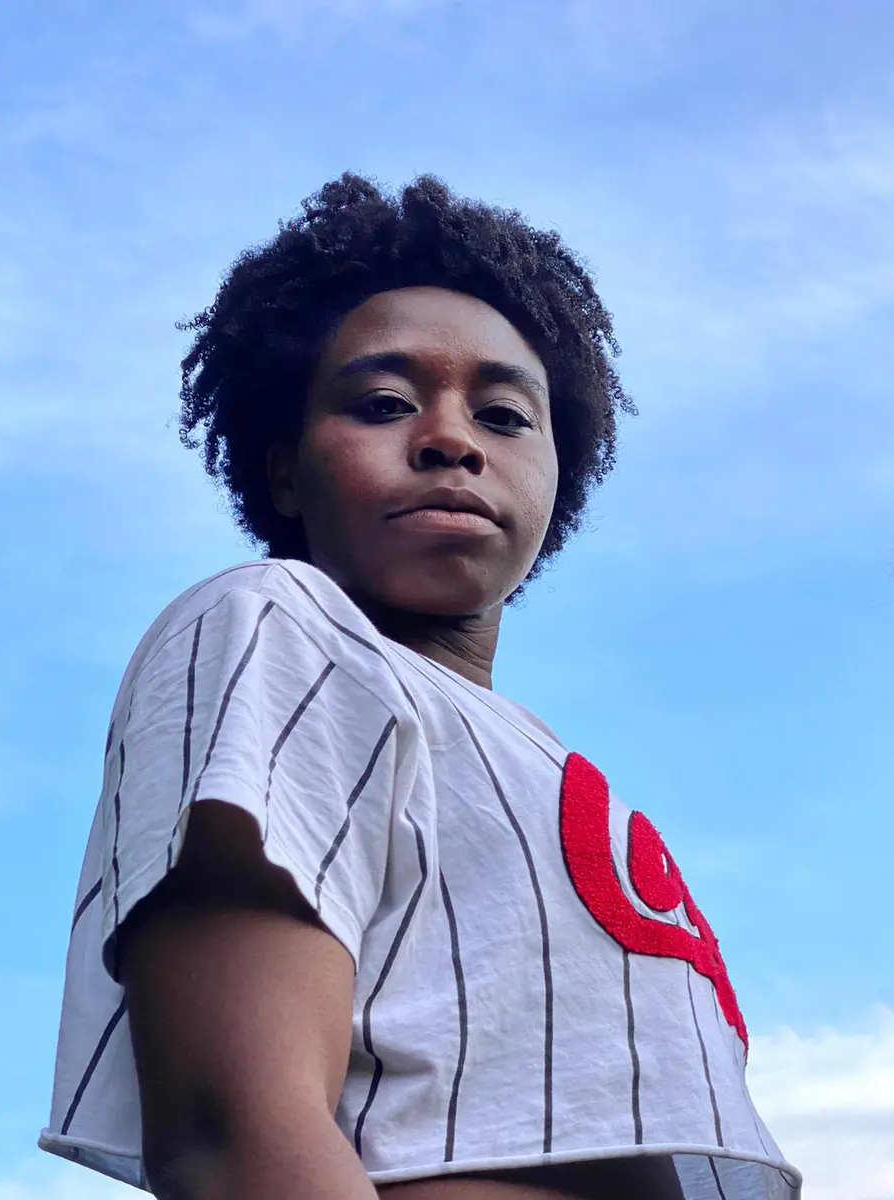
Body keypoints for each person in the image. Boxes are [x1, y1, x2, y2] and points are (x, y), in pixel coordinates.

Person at [40, 174, 801, 1199]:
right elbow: (234, 1136)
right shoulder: (274, 626)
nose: (453, 439)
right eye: (385, 403)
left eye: (504, 414)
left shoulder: (526, 756)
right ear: (281, 470)